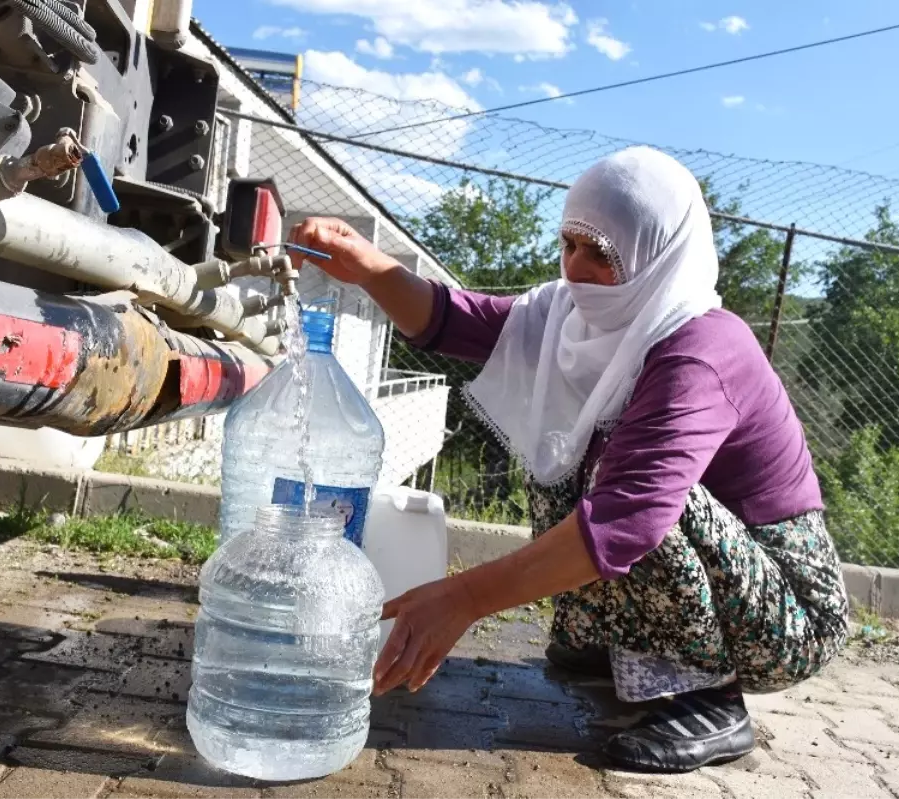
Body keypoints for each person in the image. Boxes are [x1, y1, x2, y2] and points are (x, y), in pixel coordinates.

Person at [289, 147, 849, 774]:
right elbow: (456, 321)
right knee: (566, 450)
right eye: (569, 244)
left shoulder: (700, 348)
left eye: (601, 253)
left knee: (644, 495)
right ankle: (617, 642)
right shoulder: (570, 318)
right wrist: (369, 269)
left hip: (790, 610)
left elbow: (630, 520)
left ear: (657, 255)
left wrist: (463, 598)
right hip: (716, 567)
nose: (576, 269)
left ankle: (707, 696)